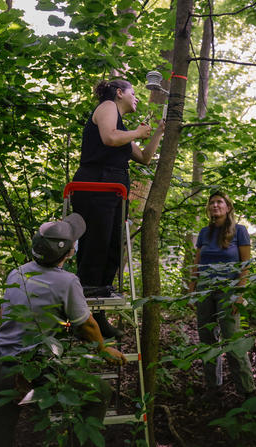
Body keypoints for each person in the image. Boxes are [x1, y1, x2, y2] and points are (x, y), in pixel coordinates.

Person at [0, 213, 129, 447]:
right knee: (100, 392)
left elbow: (9, 312)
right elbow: (87, 325)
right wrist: (102, 348)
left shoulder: (17, 273)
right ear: (68, 252)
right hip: (26, 368)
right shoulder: (67, 281)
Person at [72, 79, 165, 338]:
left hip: (113, 187)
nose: (136, 98)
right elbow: (109, 137)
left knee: (112, 245)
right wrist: (136, 133)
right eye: (133, 93)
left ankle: (98, 315)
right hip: (95, 183)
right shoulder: (107, 107)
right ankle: (83, 319)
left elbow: (144, 159)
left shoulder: (121, 126)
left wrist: (157, 132)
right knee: (96, 243)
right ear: (120, 92)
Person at [187, 191, 256, 399]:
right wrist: (192, 291)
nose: (215, 205)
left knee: (232, 340)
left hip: (229, 290)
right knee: (207, 339)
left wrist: (239, 294)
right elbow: (197, 264)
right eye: (212, 202)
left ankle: (247, 391)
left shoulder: (240, 231)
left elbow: (245, 266)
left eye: (220, 202)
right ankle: (213, 386)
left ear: (228, 207)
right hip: (204, 290)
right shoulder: (203, 233)